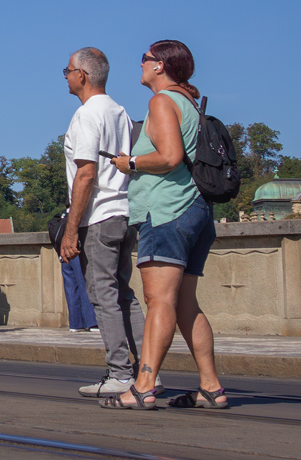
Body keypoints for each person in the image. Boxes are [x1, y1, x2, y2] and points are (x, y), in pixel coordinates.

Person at [105, 41, 226, 410]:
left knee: (159, 300)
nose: (139, 64)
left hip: (167, 210)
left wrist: (132, 163)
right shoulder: (190, 104)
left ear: (160, 66)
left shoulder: (162, 102)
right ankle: (211, 387)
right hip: (196, 210)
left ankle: (142, 386)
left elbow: (170, 156)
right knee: (185, 303)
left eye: (144, 59)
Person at [59, 46, 148, 397]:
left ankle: (120, 372)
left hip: (98, 217)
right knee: (124, 293)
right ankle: (146, 371)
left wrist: (71, 229)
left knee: (102, 294)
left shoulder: (86, 115)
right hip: (125, 212)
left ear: (82, 75)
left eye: (67, 70)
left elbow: (85, 174)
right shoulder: (121, 113)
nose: (65, 76)